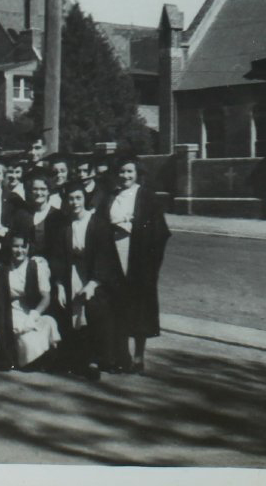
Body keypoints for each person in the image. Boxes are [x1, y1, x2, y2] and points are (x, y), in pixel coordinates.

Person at [49, 181, 121, 381]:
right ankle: (76, 358)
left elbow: (106, 257)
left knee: (94, 308)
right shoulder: (64, 226)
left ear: (85, 199)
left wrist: (93, 283)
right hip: (71, 273)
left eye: (78, 198)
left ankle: (94, 359)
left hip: (95, 277)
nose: (74, 203)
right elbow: (58, 258)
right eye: (70, 199)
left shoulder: (98, 224)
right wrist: (60, 284)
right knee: (70, 310)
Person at [106, 154, 170, 374]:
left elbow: (160, 232)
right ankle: (120, 355)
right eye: (122, 172)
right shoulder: (111, 196)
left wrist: (136, 231)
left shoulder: (147, 197)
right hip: (115, 256)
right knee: (117, 307)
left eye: (129, 172)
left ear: (137, 174)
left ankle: (138, 356)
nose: (125, 176)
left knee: (139, 308)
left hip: (139, 260)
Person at [0, 230, 60, 369]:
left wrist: (34, 315)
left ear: (28, 248)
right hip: (13, 313)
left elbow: (46, 297)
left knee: (49, 322)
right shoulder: (3, 269)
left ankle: (45, 358)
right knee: (27, 342)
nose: (19, 250)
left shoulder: (37, 266)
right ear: (10, 247)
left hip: (31, 311)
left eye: (23, 246)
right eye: (15, 246)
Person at [22, 169, 65, 258]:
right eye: (35, 189)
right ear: (30, 190)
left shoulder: (58, 215)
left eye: (43, 189)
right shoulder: (23, 215)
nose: (39, 193)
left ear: (48, 191)